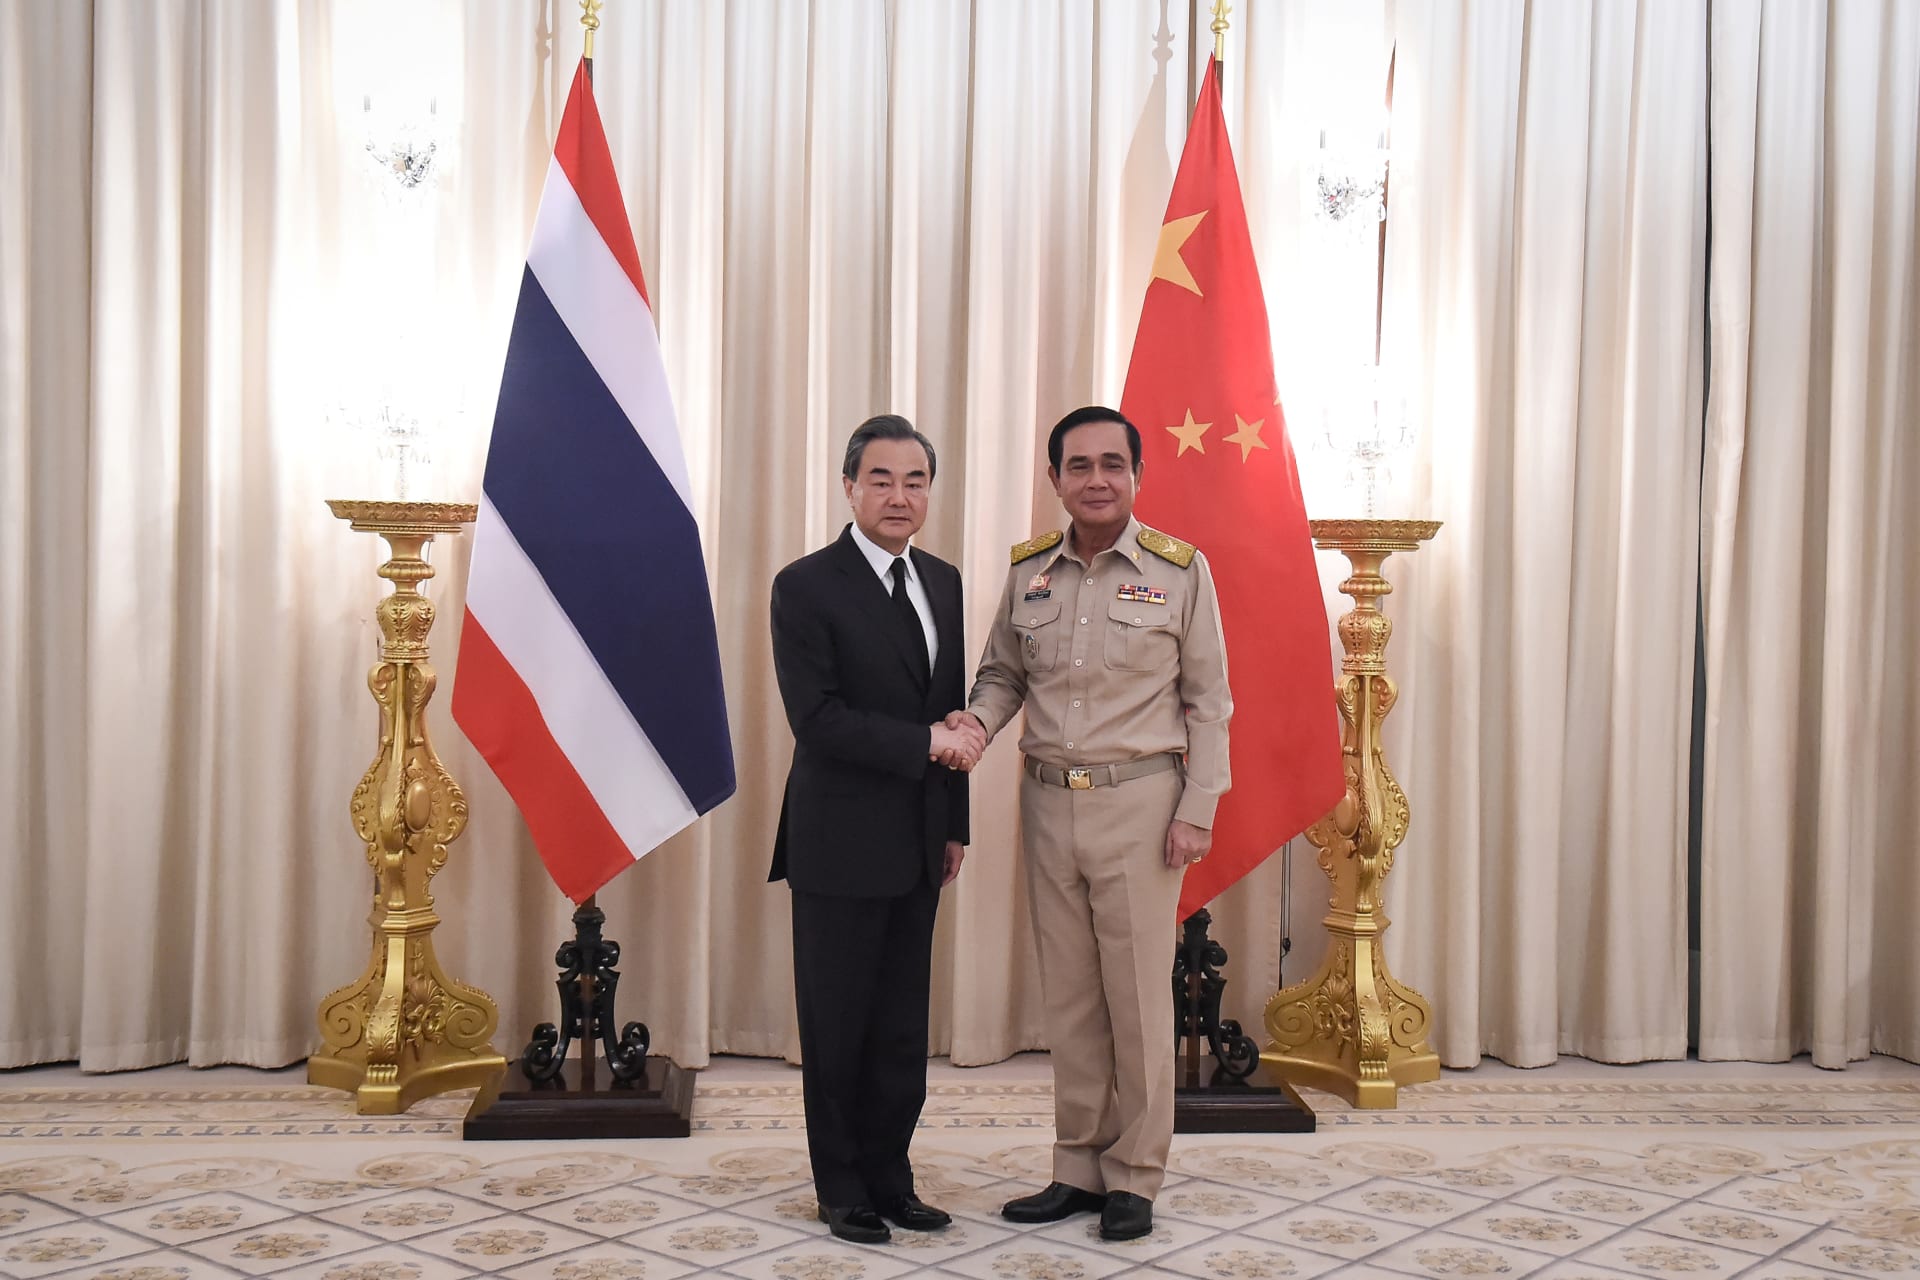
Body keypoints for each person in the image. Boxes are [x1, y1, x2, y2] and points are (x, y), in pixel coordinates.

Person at [951, 404, 1231, 1241]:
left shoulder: (1180, 570)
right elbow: (1001, 675)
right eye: (1080, 465)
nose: (1097, 479)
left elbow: (1209, 701)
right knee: (1070, 998)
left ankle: (1135, 1174)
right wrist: (974, 726)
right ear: (1055, 479)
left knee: (1138, 1000)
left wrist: (1198, 810)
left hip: (1141, 806)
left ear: (1138, 475)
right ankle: (1077, 1165)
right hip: (1047, 803)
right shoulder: (1030, 570)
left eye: (1114, 464)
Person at [768, 414, 979, 1245]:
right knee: (839, 1025)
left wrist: (954, 822)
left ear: (930, 492)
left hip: (922, 839)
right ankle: (842, 1187)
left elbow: (949, 710)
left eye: (915, 481)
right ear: (849, 487)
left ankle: (893, 1178)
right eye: (882, 480)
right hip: (838, 842)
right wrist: (926, 744)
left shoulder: (944, 581)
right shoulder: (805, 585)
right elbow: (817, 720)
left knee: (900, 1028)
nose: (899, 496)